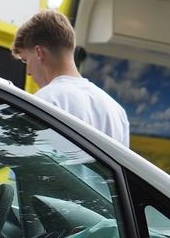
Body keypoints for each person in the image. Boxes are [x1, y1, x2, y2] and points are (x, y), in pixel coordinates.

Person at [11, 9, 131, 148]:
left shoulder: (45, 101)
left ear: (39, 53)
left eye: (26, 61)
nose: (28, 73)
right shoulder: (117, 112)